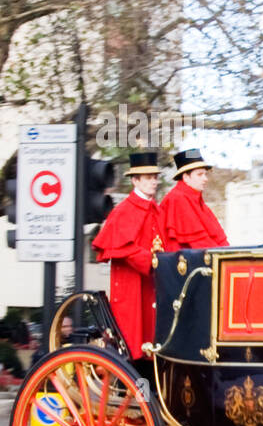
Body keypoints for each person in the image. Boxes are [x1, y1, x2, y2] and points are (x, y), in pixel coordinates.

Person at [92, 152, 167, 360]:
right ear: (135, 181)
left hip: (151, 283)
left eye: (155, 177)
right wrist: (151, 261)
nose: (154, 182)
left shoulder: (157, 210)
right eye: (149, 178)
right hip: (132, 285)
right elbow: (123, 248)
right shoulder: (124, 211)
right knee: (134, 340)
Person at [159, 148, 228, 250]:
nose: (205, 179)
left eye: (205, 174)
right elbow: (198, 242)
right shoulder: (177, 198)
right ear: (186, 177)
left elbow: (218, 239)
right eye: (200, 174)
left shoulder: (197, 199)